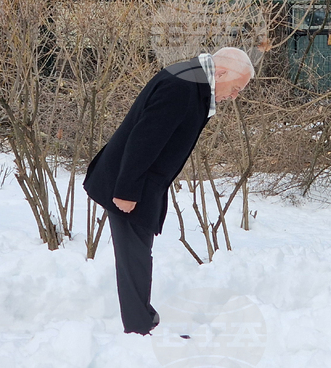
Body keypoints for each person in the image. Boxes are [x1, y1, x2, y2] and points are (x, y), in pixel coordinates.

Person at [83, 47, 255, 334]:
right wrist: (126, 190)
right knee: (134, 258)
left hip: (139, 180)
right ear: (222, 72)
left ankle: (142, 321)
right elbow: (144, 138)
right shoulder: (183, 86)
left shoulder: (192, 80)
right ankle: (138, 329)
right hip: (129, 182)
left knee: (136, 256)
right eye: (236, 88)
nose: (235, 96)